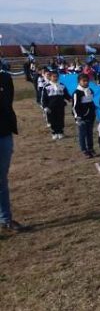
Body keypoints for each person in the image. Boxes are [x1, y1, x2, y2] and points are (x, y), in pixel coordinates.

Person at [0, 67, 28, 233]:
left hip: (3, 134)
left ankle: (5, 219)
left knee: (1, 179)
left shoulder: (4, 78)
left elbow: (7, 102)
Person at [41, 70, 72, 140]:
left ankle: (60, 132)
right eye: (53, 76)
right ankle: (54, 132)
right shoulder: (46, 87)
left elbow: (66, 95)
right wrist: (45, 106)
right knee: (52, 120)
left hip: (60, 106)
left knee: (60, 119)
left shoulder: (62, 86)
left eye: (56, 76)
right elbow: (43, 98)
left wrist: (70, 99)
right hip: (51, 107)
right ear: (50, 77)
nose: (55, 78)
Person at [73, 73, 97, 158]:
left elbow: (91, 101)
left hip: (90, 116)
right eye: (84, 81)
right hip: (82, 117)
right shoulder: (77, 93)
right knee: (82, 134)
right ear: (79, 82)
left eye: (87, 81)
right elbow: (75, 106)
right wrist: (77, 117)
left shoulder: (90, 90)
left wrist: (94, 109)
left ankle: (90, 148)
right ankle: (84, 150)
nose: (86, 82)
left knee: (90, 133)